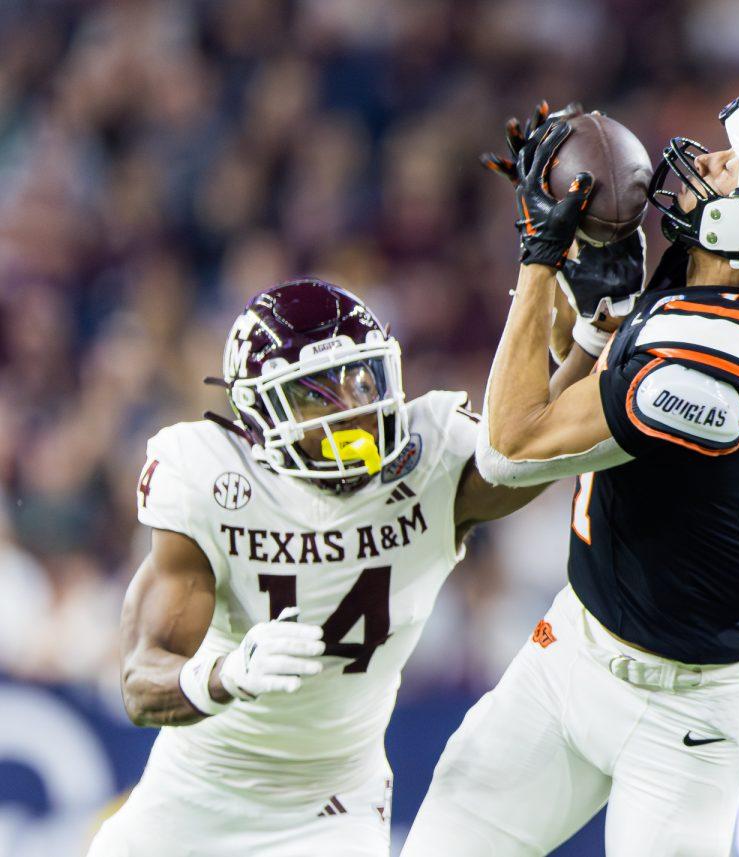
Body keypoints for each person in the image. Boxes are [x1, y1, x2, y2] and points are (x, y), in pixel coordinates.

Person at [401, 86, 739, 856]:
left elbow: (510, 447)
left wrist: (540, 259)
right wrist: (602, 308)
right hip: (576, 642)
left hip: (686, 710)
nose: (705, 161)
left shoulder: (716, 367)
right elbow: (634, 342)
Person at [86, 275, 619, 857]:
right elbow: (141, 685)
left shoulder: (428, 461)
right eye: (317, 395)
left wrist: (591, 339)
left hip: (330, 802)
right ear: (259, 413)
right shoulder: (210, 479)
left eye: (361, 380)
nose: (353, 411)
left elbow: (526, 453)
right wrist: (227, 674)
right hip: (193, 789)